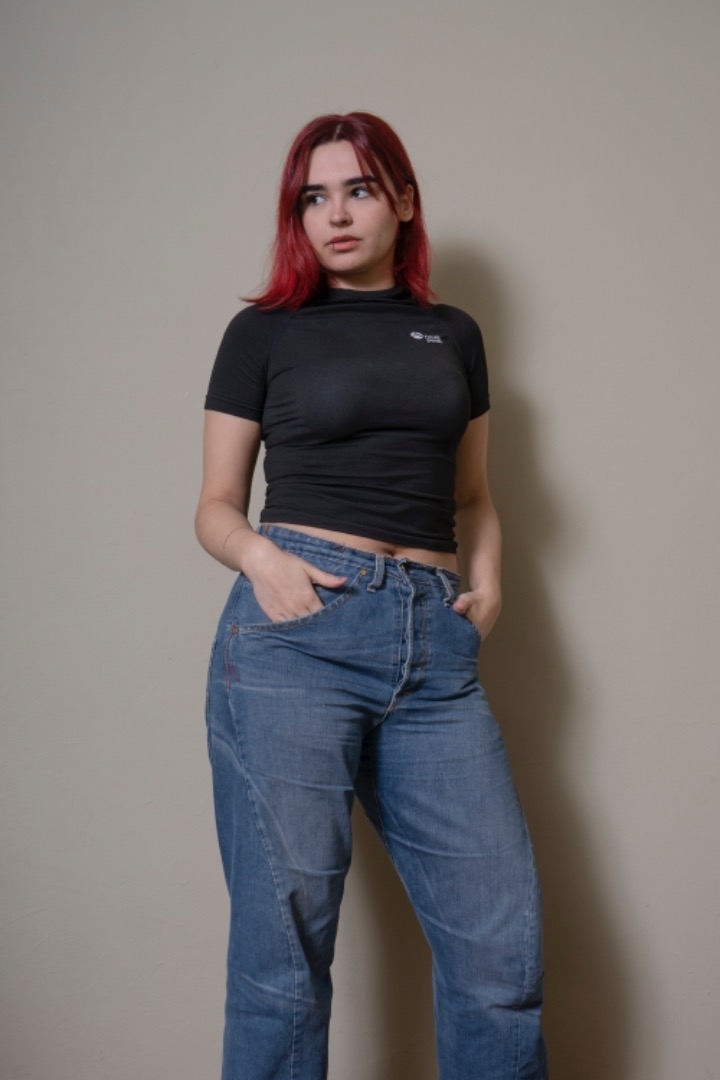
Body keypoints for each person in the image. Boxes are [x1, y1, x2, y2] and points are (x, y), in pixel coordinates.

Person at [196, 112, 547, 1080]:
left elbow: (472, 495)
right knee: (283, 962)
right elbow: (215, 506)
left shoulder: (455, 334)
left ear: (403, 201)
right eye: (313, 197)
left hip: (435, 649)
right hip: (297, 636)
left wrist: (488, 581)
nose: (337, 214)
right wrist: (263, 560)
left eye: (358, 189)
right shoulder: (262, 333)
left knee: (500, 955)